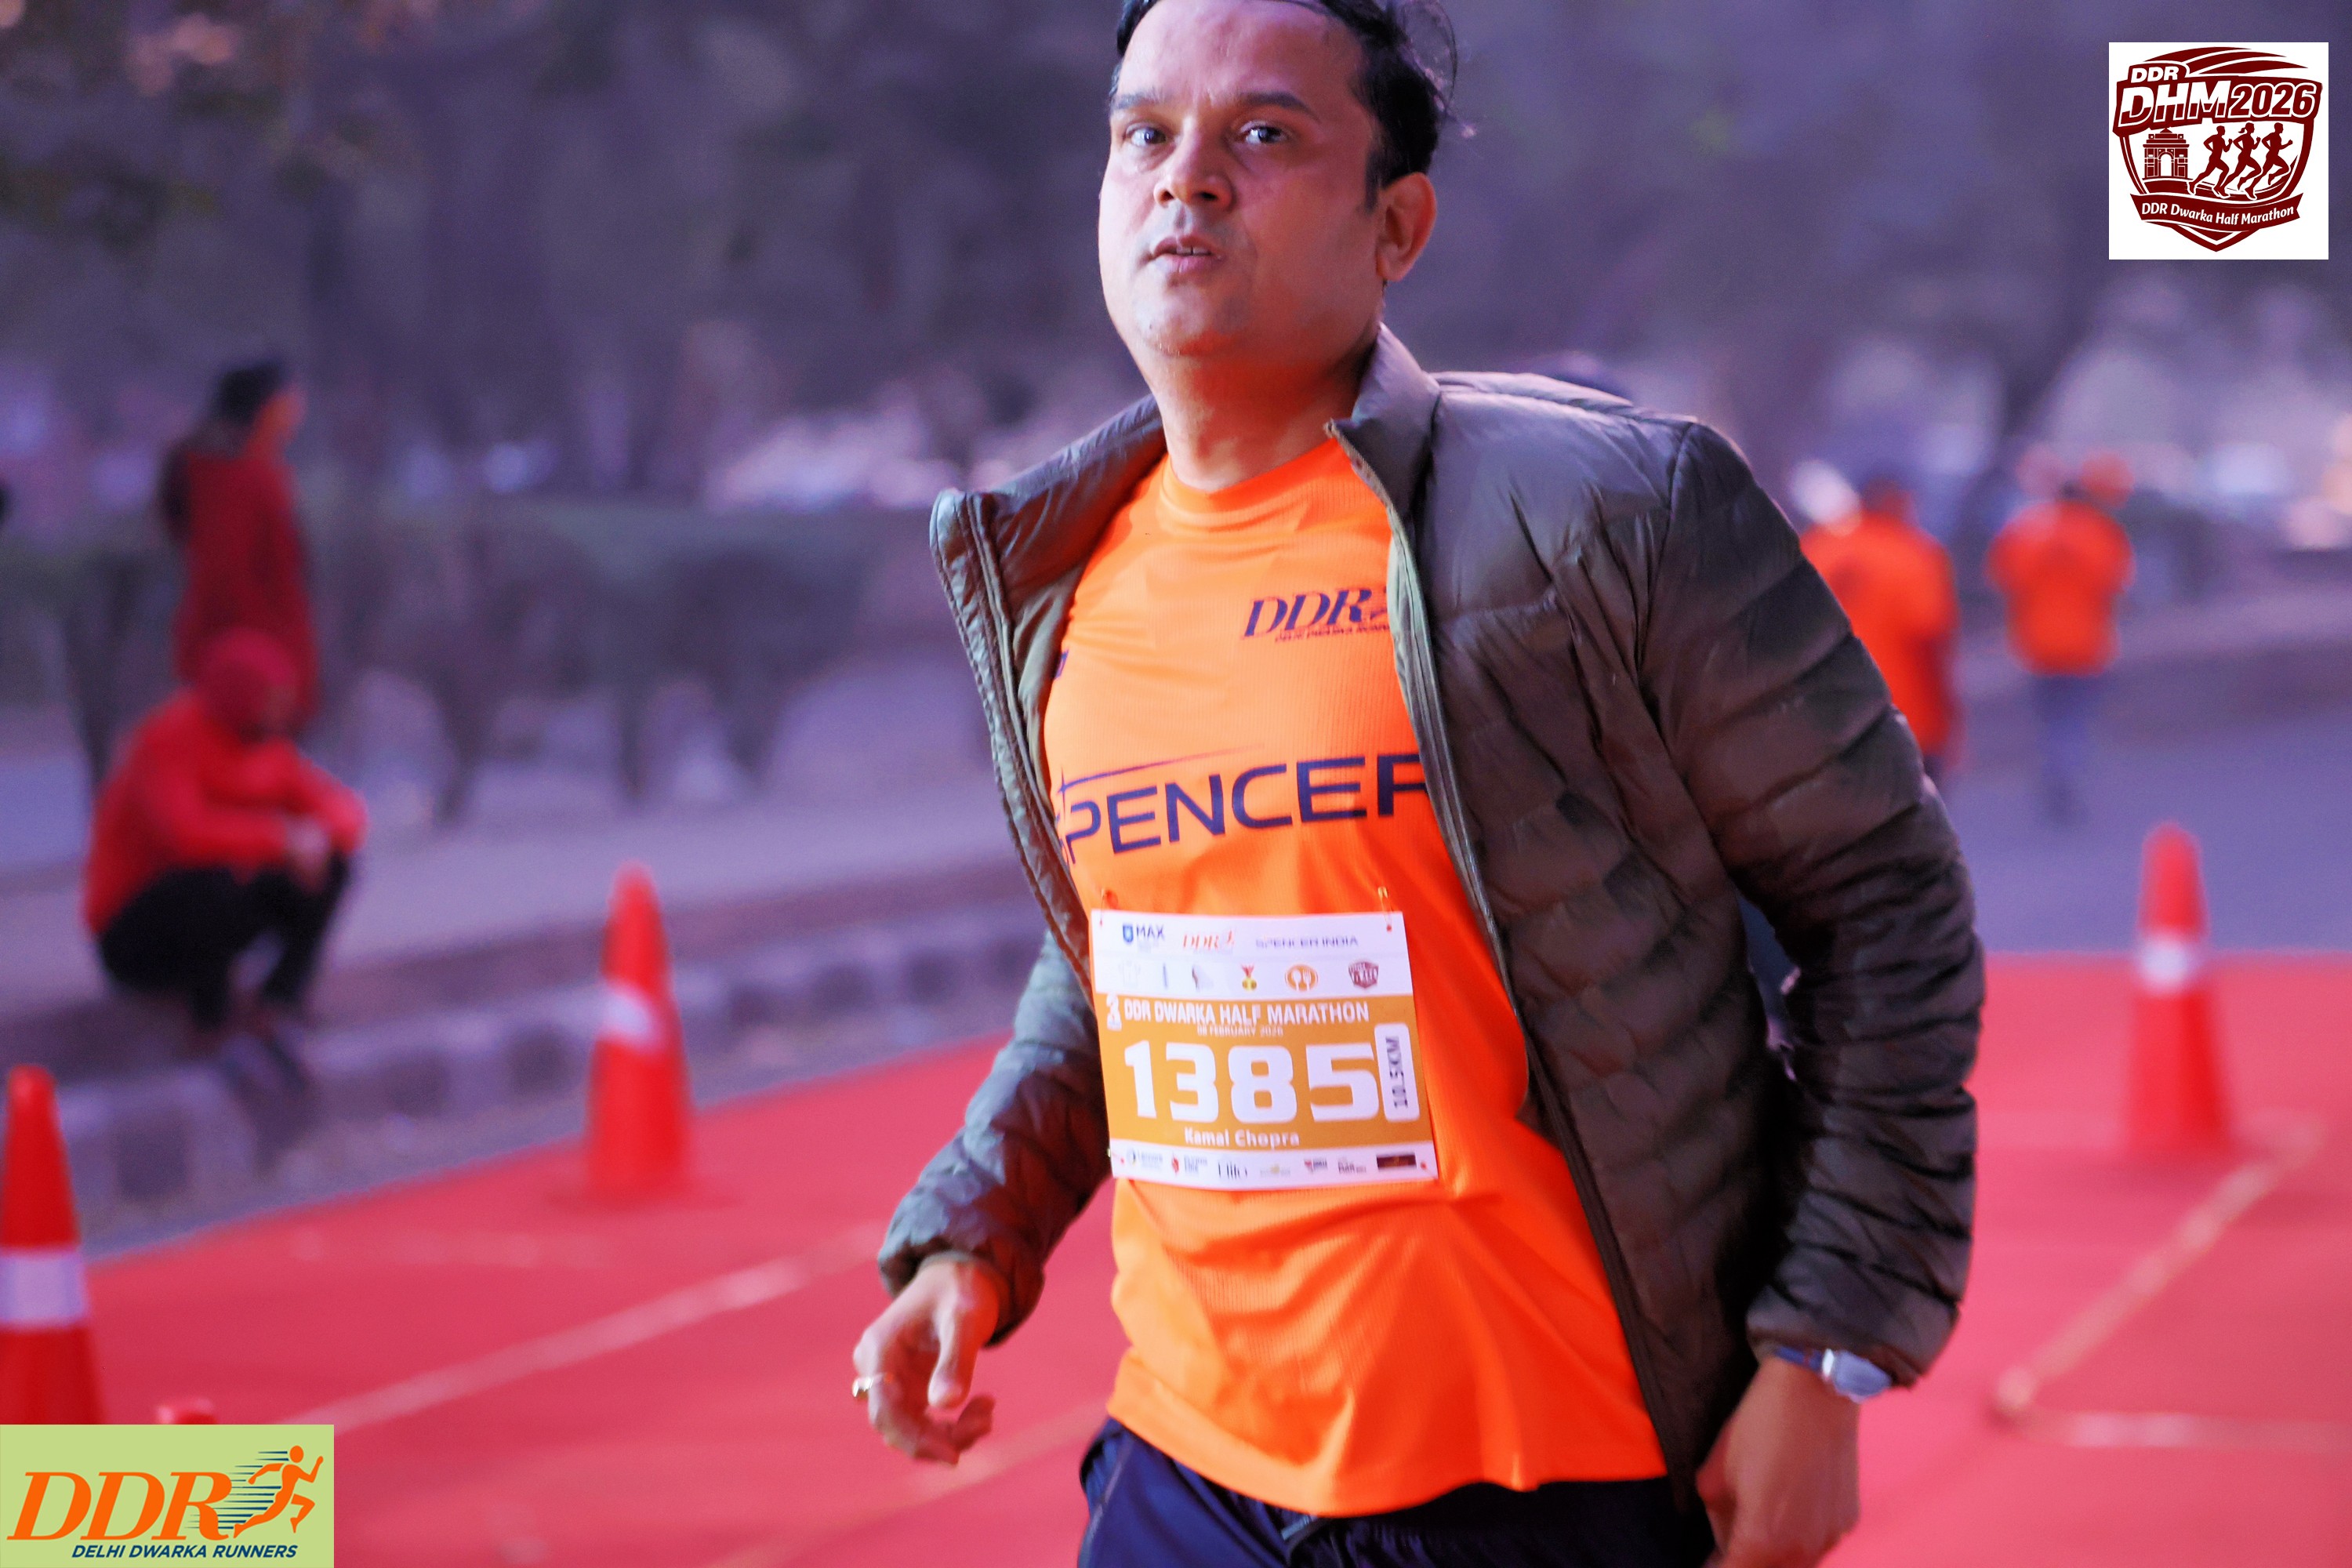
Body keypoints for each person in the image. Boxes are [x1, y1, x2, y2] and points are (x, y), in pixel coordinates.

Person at [852, 4, 1980, 1566]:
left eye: (1264, 135)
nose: (1187, 178)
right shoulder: (1060, 580)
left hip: (1551, 1487)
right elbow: (1124, 947)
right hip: (1181, 1480)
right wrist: (977, 1232)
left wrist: (1828, 1349)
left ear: (1398, 224)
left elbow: (1886, 905)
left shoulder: (1610, 515)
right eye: (1144, 134)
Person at [83, 629, 364, 1137]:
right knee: (213, 882)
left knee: (332, 868)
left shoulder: (266, 748)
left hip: (216, 914)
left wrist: (316, 839)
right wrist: (280, 839)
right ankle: (210, 1025)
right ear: (243, 697)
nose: (282, 713)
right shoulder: (168, 739)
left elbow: (344, 810)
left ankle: (276, 1004)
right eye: (272, 701)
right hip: (136, 933)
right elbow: (186, 834)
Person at [160, 360, 321, 729]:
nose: (296, 414)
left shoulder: (241, 475)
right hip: (248, 677)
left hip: (254, 671)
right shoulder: (236, 482)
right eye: (286, 403)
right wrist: (261, 677)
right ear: (265, 410)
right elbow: (228, 583)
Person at [1987, 462, 2134, 825]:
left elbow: (2004, 580)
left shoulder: (2028, 531)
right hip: (2086, 645)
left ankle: (2053, 766)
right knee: (2075, 717)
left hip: (2037, 645)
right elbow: (2117, 586)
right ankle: (2065, 769)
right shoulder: (2101, 532)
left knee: (2049, 715)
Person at [1800, 475, 1961, 783]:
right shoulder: (1913, 553)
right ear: (1898, 502)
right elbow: (1931, 641)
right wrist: (1950, 716)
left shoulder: (1815, 549)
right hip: (1905, 718)